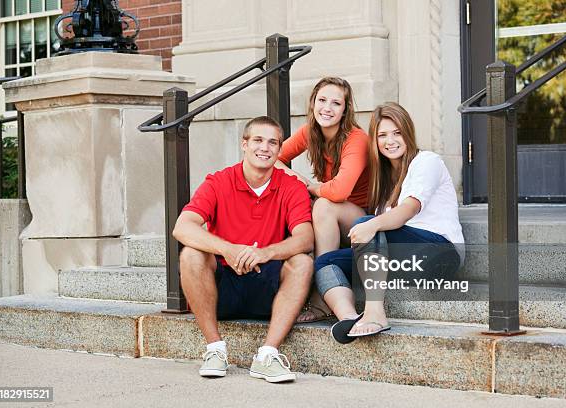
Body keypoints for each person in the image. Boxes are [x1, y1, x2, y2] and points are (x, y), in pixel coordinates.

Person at [173, 116, 314, 382]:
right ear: (244, 144)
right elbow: (183, 227)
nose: (265, 148)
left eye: (273, 143)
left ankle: (267, 355)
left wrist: (265, 252)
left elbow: (305, 238)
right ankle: (215, 350)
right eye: (258, 140)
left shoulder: (291, 186)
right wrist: (228, 249)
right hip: (223, 286)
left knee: (303, 262)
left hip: (267, 285)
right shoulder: (219, 181)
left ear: (280, 149)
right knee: (191, 254)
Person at [313, 102, 465, 343]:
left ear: (408, 133)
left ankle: (375, 312)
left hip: (439, 253)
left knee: (370, 224)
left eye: (397, 133)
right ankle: (349, 317)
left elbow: (407, 210)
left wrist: (370, 225)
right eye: (382, 135)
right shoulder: (383, 181)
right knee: (324, 262)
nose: (390, 141)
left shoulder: (427, 161)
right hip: (402, 262)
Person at [275, 77, 370, 323]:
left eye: (336, 103)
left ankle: (320, 297)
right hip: (331, 213)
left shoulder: (356, 138)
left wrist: (312, 187)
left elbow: (339, 192)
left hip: (362, 219)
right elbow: (272, 158)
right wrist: (301, 182)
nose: (327, 108)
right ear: (312, 103)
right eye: (322, 100)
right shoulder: (310, 132)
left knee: (324, 205)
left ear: (345, 109)